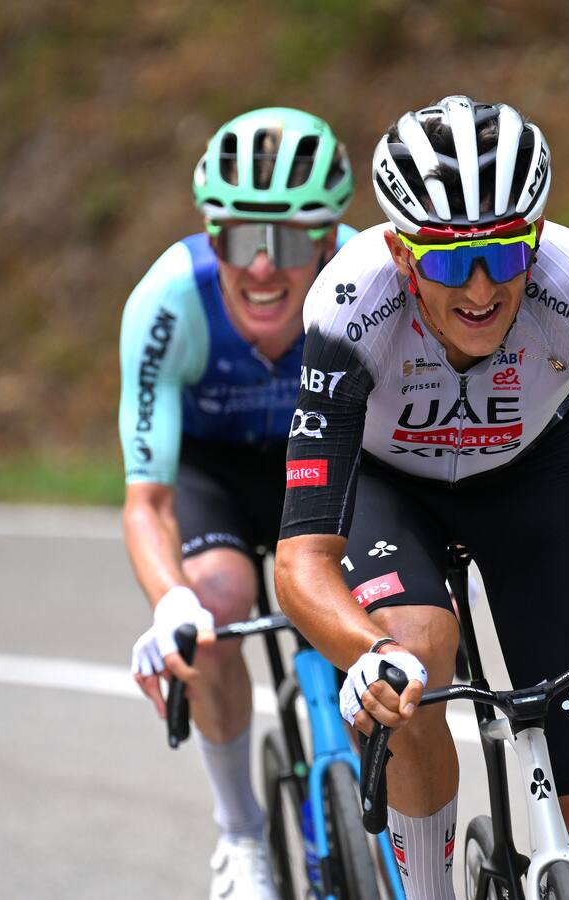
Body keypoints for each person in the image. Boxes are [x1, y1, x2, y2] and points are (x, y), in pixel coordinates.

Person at [274, 96, 569, 900]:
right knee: (413, 647)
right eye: (447, 263)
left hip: (532, 480)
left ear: (535, 244)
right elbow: (303, 557)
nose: (480, 289)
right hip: (391, 489)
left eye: (504, 256)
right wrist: (366, 652)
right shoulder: (348, 305)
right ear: (404, 259)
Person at [119, 107, 355, 900]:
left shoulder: (369, 284)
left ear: (328, 240)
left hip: (317, 461)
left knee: (365, 590)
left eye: (288, 241)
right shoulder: (169, 301)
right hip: (212, 471)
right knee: (215, 607)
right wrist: (169, 600)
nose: (260, 268)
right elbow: (147, 500)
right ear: (210, 236)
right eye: (236, 239)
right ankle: (241, 832)